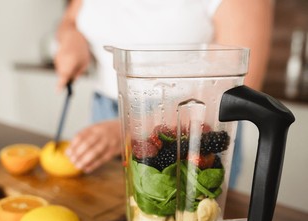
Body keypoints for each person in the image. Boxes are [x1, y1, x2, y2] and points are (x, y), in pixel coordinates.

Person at [54, 0, 273, 174]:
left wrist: (132, 130)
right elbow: (71, 19)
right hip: (105, 111)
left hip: (189, 126)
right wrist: (71, 37)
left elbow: (234, 92)